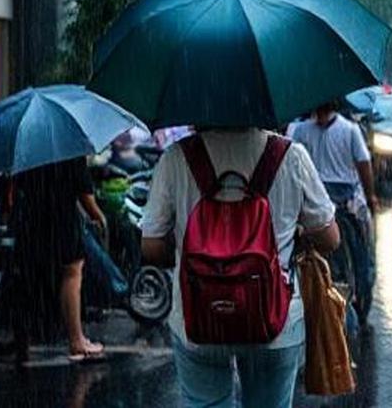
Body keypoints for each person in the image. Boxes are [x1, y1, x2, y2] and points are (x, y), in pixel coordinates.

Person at [140, 128, 339, 408]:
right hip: (276, 320)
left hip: (196, 317)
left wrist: (188, 249)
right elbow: (330, 239)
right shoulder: (290, 156)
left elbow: (151, 248)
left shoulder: (176, 157)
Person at [10, 157, 107, 363]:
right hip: (61, 220)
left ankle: (22, 342)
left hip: (29, 221)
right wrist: (99, 216)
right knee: (72, 272)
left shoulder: (25, 152)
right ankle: (76, 341)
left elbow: (14, 186)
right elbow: (84, 192)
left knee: (28, 277)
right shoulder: (69, 152)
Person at [287, 102, 377, 324]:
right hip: (340, 206)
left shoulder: (300, 131)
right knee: (360, 259)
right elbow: (363, 165)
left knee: (331, 263)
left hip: (320, 206)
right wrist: (371, 197)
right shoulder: (349, 130)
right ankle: (353, 306)